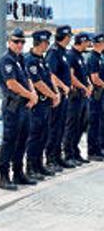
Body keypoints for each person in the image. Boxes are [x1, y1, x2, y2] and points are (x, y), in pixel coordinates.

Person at [0, 28, 38, 190]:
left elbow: (27, 78)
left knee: (23, 140)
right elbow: (11, 84)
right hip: (12, 107)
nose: (19, 45)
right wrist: (30, 95)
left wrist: (32, 94)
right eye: (16, 41)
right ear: (9, 42)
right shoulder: (6, 60)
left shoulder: (20, 59)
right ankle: (4, 176)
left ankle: (18, 173)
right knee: (9, 142)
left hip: (24, 106)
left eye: (22, 42)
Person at [24, 30, 61, 178]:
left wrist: (56, 92)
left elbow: (49, 76)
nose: (47, 45)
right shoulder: (30, 60)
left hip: (46, 104)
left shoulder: (42, 59)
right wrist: (53, 95)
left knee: (44, 135)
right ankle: (31, 167)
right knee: (34, 136)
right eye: (46, 42)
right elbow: (37, 83)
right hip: (37, 105)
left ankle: (39, 164)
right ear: (39, 42)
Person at [45, 26, 74, 171]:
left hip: (64, 95)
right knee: (54, 127)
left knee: (61, 127)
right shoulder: (53, 52)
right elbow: (51, 75)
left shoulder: (63, 52)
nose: (70, 39)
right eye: (69, 36)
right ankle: (50, 158)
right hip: (57, 95)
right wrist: (63, 86)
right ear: (65, 37)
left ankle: (57, 156)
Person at [65, 32, 93, 166]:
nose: (89, 44)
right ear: (82, 41)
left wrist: (89, 85)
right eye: (87, 42)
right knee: (71, 126)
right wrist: (83, 86)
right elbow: (71, 76)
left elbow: (84, 75)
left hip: (83, 96)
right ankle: (68, 153)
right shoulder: (71, 56)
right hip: (74, 97)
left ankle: (75, 152)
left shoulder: (80, 56)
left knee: (80, 125)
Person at [88, 33, 104, 161]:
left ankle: (99, 147)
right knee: (94, 122)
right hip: (96, 95)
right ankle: (93, 150)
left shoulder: (100, 57)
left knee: (100, 122)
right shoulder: (93, 57)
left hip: (100, 95)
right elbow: (95, 78)